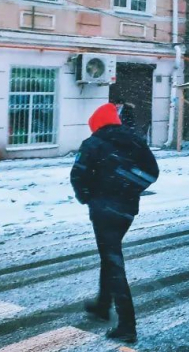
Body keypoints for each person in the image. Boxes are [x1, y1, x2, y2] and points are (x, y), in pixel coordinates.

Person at [70, 103, 159, 344]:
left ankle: (127, 325)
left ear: (96, 124)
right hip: (126, 211)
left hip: (104, 212)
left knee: (113, 261)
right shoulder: (135, 141)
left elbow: (78, 176)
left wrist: (90, 197)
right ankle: (102, 305)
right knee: (110, 257)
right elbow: (152, 172)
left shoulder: (93, 143)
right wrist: (128, 187)